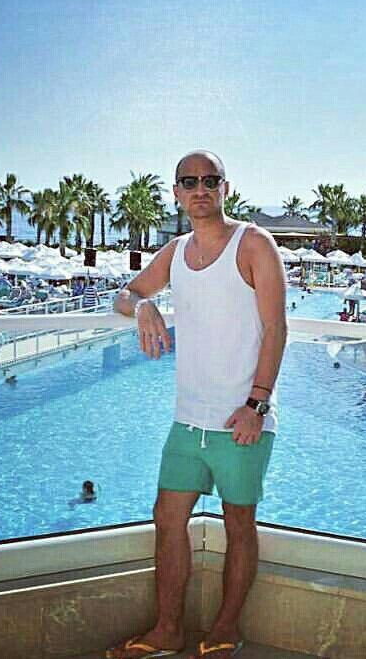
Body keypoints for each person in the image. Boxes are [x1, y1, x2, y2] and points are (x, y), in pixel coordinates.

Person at [107, 151, 287, 659]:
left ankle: (226, 628)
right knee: (167, 518)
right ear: (177, 193)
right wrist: (144, 306)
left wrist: (257, 404)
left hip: (242, 418)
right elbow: (124, 294)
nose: (200, 189)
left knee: (239, 524)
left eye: (210, 180)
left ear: (226, 188)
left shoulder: (253, 243)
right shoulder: (175, 252)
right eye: (190, 182)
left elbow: (276, 327)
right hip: (188, 421)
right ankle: (168, 630)